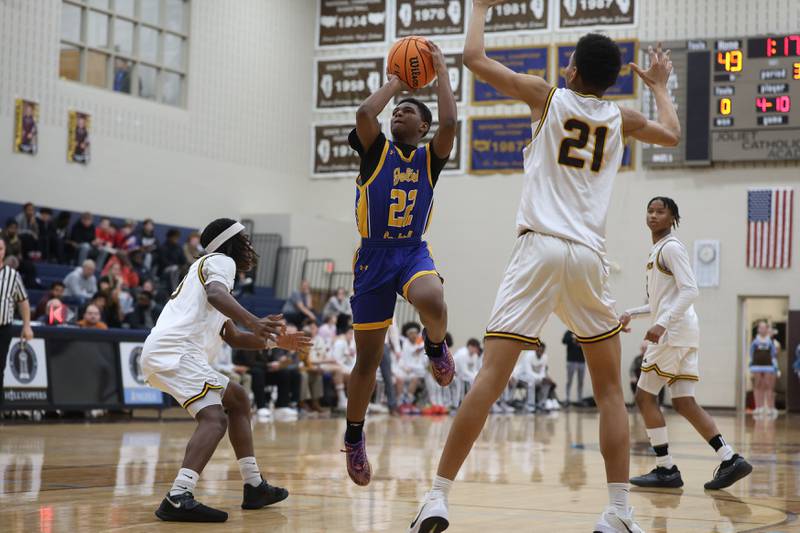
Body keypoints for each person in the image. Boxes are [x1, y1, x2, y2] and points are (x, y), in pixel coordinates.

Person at [409, 3, 683, 529]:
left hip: (537, 250)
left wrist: (479, 8)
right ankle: (619, 512)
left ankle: (439, 496)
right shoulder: (620, 118)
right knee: (607, 392)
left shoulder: (546, 95)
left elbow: (473, 57)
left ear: (573, 69)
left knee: (489, 379)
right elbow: (671, 134)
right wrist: (661, 85)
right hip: (586, 258)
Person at [141, 218, 311, 522]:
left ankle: (254, 486)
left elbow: (232, 337)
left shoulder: (207, 272)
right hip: (176, 351)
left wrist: (276, 342)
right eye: (244, 239)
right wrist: (256, 321)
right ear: (230, 243)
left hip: (172, 352)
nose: (249, 246)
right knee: (214, 419)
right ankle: (179, 495)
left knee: (238, 399)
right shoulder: (221, 262)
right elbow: (217, 296)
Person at [344, 39, 457, 487]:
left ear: (423, 126)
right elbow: (364, 115)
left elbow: (450, 119)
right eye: (397, 111)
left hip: (411, 249)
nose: (399, 114)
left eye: (409, 111)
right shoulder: (375, 148)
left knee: (433, 297)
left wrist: (442, 71)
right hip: (372, 255)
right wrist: (397, 78)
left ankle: (434, 346)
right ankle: (354, 437)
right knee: (367, 361)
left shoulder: (431, 158)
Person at [621, 197, 752, 491]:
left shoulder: (671, 247)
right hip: (684, 332)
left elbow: (690, 290)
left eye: (660, 212)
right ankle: (729, 458)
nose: (654, 216)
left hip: (674, 332)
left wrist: (662, 324)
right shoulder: (659, 250)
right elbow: (661, 302)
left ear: (672, 218)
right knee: (683, 401)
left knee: (644, 397)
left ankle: (666, 468)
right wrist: (632, 312)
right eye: (650, 211)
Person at [0, 237, 34, 408]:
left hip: (3, 328)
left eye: (0, 248)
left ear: (4, 251)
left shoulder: (12, 275)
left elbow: (23, 301)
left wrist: (26, 325)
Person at [394, 322, 427, 414]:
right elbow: (400, 360)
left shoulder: (421, 346)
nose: (413, 335)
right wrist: (405, 368)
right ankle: (400, 403)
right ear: (407, 334)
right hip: (402, 369)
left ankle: (408, 403)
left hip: (415, 372)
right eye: (411, 333)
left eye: (415, 333)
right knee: (399, 378)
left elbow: (423, 364)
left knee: (415, 379)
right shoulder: (403, 344)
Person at [750, 320, 780, 418]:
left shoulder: (770, 342)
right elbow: (751, 353)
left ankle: (770, 408)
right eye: (761, 327)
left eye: (764, 327)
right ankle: (759, 407)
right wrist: (752, 364)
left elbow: (774, 354)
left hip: (768, 366)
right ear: (758, 329)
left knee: (768, 386)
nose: (762, 329)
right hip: (757, 365)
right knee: (758, 385)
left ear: (767, 329)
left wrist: (774, 366)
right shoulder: (755, 341)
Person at [453, 339, 482, 408]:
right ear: (470, 347)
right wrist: (475, 377)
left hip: (464, 376)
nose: (476, 351)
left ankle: (470, 403)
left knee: (475, 380)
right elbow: (463, 371)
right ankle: (456, 405)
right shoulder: (462, 354)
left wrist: (477, 377)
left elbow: (474, 370)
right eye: (475, 348)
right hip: (455, 374)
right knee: (459, 389)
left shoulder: (475, 355)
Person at [562, 330, 586, 405]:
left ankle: (579, 399)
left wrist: (580, 343)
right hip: (571, 361)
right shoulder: (569, 332)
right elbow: (564, 341)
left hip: (581, 361)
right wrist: (572, 339)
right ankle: (567, 398)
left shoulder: (582, 331)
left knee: (581, 382)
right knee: (569, 381)